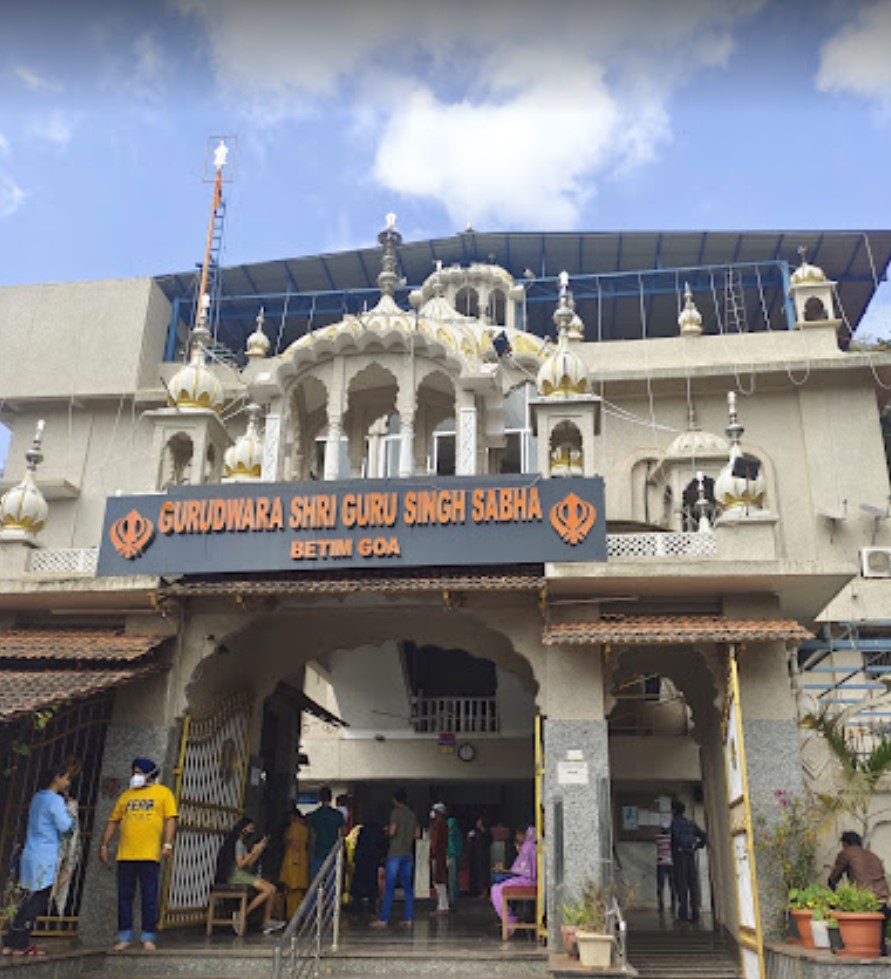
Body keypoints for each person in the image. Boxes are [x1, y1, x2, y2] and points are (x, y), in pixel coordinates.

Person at [99, 757, 177, 952]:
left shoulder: (163, 793)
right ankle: (124, 936)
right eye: (134, 772)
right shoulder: (126, 796)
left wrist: (167, 843)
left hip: (150, 854)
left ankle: (148, 937)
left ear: (150, 774)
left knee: (149, 896)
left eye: (139, 772)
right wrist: (104, 844)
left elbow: (170, 820)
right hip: (125, 854)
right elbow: (113, 820)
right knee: (125, 897)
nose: (135, 776)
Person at [1, 764, 76, 958]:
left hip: (30, 852)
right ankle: (21, 944)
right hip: (45, 855)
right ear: (57, 778)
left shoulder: (37, 797)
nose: (67, 782)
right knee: (36, 901)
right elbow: (65, 826)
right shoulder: (55, 801)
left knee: (24, 899)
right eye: (66, 778)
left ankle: (10, 942)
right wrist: (71, 811)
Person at [217, 816, 283, 934]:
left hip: (242, 874)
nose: (252, 830)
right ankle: (243, 914)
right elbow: (240, 864)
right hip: (237, 875)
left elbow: (250, 863)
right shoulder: (237, 843)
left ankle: (266, 921)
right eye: (250, 827)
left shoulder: (242, 844)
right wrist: (253, 851)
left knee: (272, 888)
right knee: (267, 890)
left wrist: (258, 850)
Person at [828, 830, 891, 953]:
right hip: (883, 899)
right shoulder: (872, 855)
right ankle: (880, 947)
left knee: (836, 910)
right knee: (880, 930)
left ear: (845, 844)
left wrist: (832, 891)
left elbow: (834, 877)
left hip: (863, 902)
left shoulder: (846, 853)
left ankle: (844, 945)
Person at [372, 788, 420, 928]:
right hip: (408, 854)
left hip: (395, 854)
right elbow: (417, 834)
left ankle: (384, 919)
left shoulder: (395, 813)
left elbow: (392, 832)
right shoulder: (412, 815)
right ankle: (408, 919)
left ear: (395, 800)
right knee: (408, 888)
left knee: (389, 887)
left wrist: (387, 831)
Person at [490, 826, 537, 935]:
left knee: (497, 889)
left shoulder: (527, 847)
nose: (516, 837)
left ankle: (509, 920)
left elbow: (520, 871)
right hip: (529, 880)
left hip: (527, 881)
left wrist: (504, 871)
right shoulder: (533, 846)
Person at [670, 800, 706, 923]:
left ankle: (683, 914)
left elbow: (674, 839)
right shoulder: (691, 823)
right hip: (691, 854)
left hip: (679, 856)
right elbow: (704, 836)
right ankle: (695, 913)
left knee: (682, 884)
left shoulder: (674, 824)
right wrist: (697, 846)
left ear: (674, 811)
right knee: (692, 883)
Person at [307, 787, 346, 882]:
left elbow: (309, 833)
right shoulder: (338, 815)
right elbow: (344, 833)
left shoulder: (314, 815)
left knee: (315, 884)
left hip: (318, 853)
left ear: (319, 798)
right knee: (332, 884)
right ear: (331, 798)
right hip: (333, 853)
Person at [277, 807, 309, 920]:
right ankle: (298, 914)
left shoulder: (295, 827)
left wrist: (295, 860)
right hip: (302, 859)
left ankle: (292, 915)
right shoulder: (304, 828)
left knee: (292, 889)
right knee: (298, 891)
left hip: (293, 861)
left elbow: (295, 845)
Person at [350, 818, 387, 913]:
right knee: (372, 882)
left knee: (359, 882)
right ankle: (371, 906)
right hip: (373, 859)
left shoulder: (362, 831)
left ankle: (357, 906)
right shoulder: (379, 833)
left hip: (361, 859)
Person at [429, 803, 450, 914]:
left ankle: (442, 906)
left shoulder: (439, 824)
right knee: (440, 881)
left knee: (438, 880)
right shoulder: (443, 824)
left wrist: (432, 851)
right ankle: (442, 905)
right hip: (440, 855)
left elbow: (435, 841)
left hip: (438, 856)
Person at [467, 816, 492, 897]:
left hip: (484, 856)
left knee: (484, 874)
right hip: (478, 856)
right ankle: (479, 891)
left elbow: (485, 842)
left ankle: (485, 892)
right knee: (478, 873)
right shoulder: (477, 833)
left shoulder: (486, 833)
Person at [655, 819, 675, 916]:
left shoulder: (658, 838)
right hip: (671, 864)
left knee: (660, 887)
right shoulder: (672, 838)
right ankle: (674, 906)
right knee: (672, 886)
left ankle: (661, 907)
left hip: (661, 864)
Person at [447, 814, 463, 905]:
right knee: (453, 877)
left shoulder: (451, 833)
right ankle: (452, 896)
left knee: (452, 878)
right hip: (455, 856)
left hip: (452, 856)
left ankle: (451, 897)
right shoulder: (456, 833)